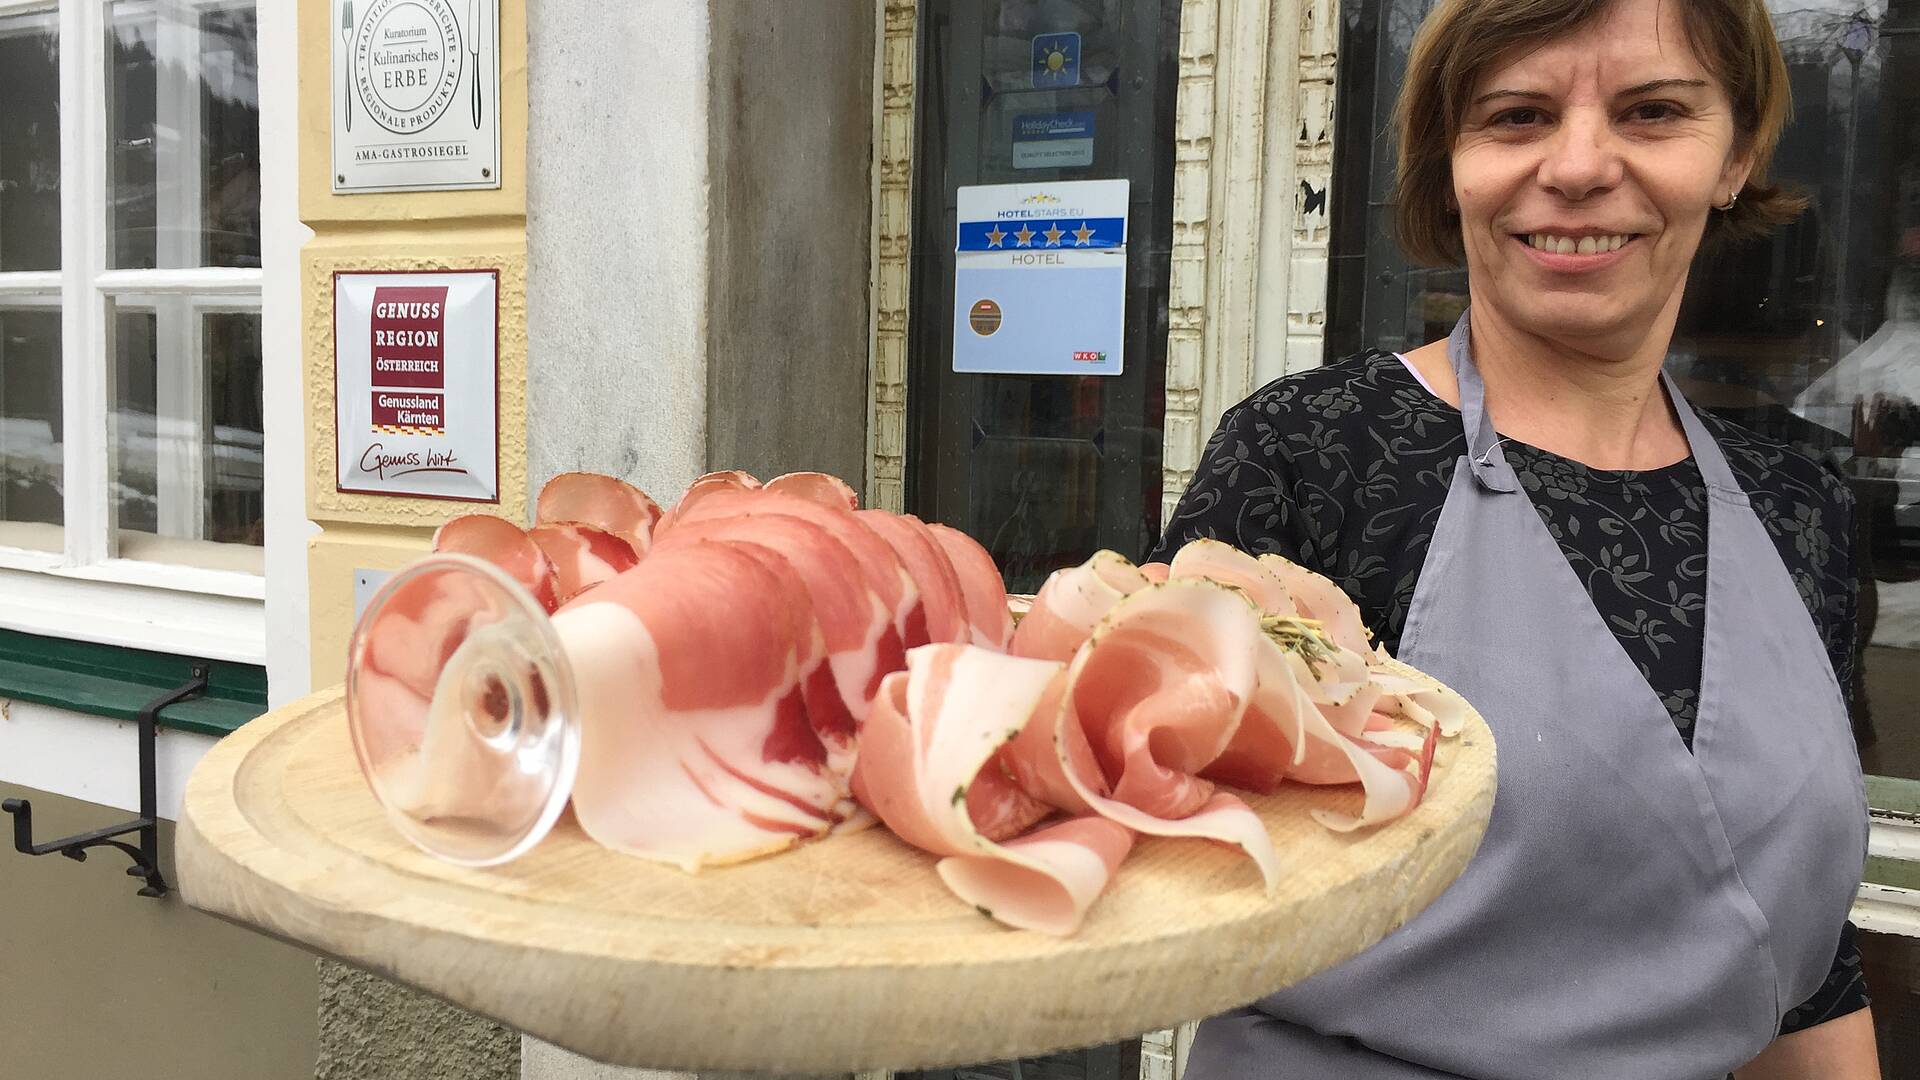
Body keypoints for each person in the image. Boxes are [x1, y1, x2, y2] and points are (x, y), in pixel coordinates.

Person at [1151, 0, 1878, 1076]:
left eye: (1654, 111)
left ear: (1739, 154)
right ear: (1453, 160)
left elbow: (1803, 956)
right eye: (1518, 115)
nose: (1580, 165)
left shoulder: (1800, 513)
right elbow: (1154, 862)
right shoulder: (1310, 458)